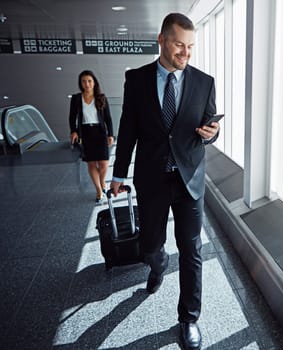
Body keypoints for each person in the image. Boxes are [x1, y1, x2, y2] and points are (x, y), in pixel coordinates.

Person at [110, 13, 220, 350]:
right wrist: (118, 173)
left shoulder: (204, 82)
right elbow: (128, 128)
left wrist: (212, 133)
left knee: (192, 250)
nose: (185, 53)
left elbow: (210, 126)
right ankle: (157, 264)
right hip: (152, 178)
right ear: (161, 40)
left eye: (190, 47)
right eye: (178, 45)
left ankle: (188, 319)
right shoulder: (137, 79)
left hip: (189, 178)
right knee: (149, 246)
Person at [69, 70, 114, 203]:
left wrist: (110, 134)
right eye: (84, 81)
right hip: (86, 133)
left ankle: (102, 182)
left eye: (89, 81)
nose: (87, 84)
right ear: (80, 83)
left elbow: (108, 118)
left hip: (100, 132)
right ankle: (99, 190)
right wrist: (73, 131)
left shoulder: (101, 98)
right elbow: (72, 117)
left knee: (104, 163)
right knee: (91, 163)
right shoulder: (77, 98)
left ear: (94, 83)